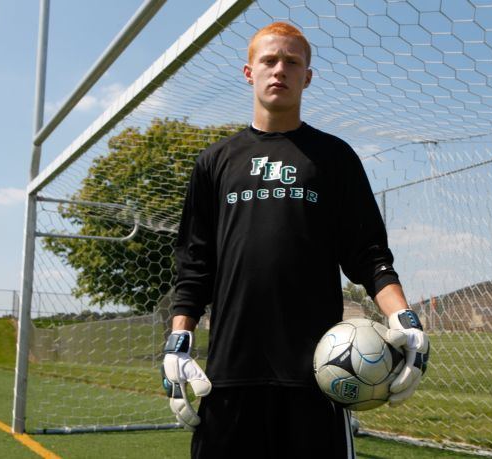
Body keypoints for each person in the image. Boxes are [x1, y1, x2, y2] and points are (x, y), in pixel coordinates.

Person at [161, 22, 429, 459]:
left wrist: (405, 318)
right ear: (249, 72)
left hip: (319, 375)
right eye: (269, 60)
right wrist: (178, 339)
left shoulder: (335, 158)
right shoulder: (214, 163)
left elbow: (369, 255)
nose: (279, 70)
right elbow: (195, 265)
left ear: (308, 76)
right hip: (229, 375)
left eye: (292, 62)